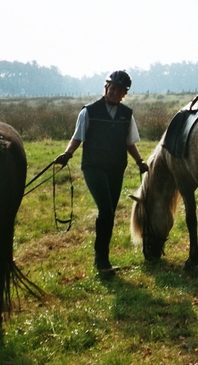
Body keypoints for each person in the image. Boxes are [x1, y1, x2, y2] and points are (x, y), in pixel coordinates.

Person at [55, 70, 148, 276]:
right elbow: (78, 137)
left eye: (120, 90)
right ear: (106, 87)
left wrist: (140, 161)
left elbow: (129, 142)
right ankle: (101, 261)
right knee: (105, 210)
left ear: (124, 94)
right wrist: (67, 154)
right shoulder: (89, 111)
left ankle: (103, 258)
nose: (115, 92)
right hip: (93, 166)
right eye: (112, 88)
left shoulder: (126, 114)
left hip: (116, 168)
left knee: (110, 213)